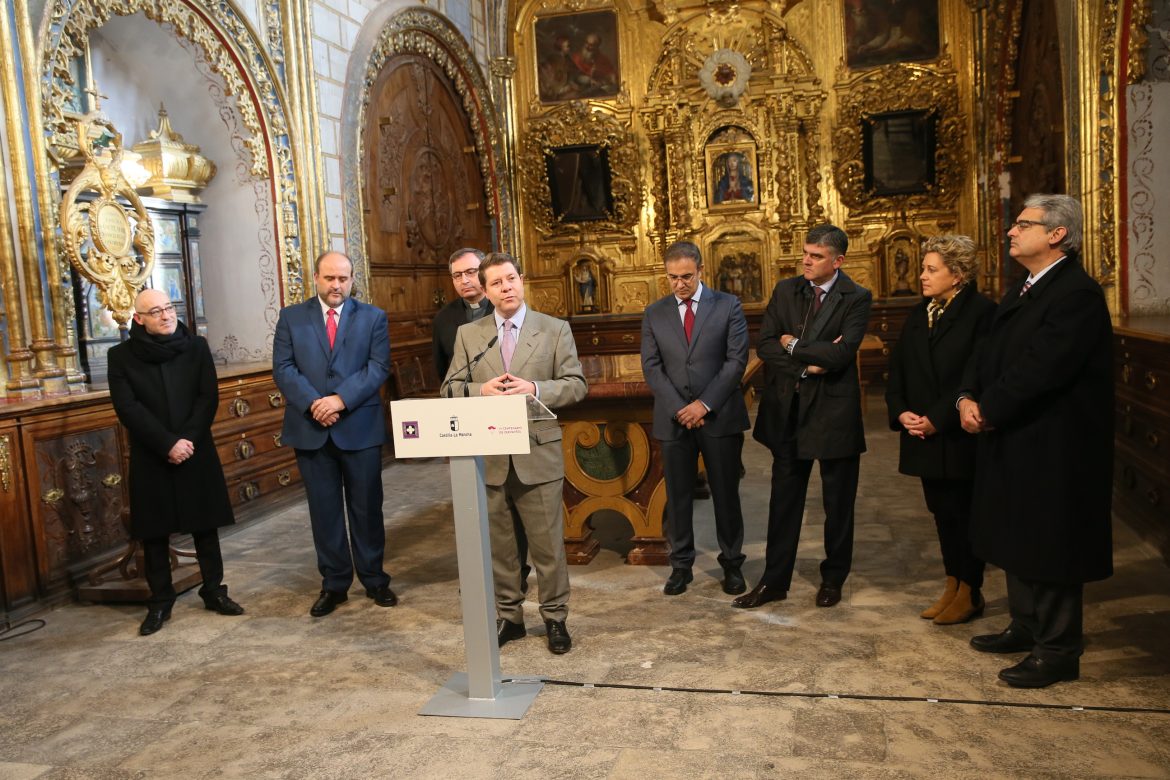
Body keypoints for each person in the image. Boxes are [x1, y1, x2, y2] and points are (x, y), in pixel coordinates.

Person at [958, 194, 1113, 688]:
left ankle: (1058, 650)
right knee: (1015, 534)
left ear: (1057, 234)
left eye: (1024, 224)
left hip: (1054, 444)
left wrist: (989, 408)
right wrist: (966, 396)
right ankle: (1025, 625)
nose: (1011, 231)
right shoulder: (1024, 287)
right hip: (1015, 434)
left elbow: (1043, 368)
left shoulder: (1076, 294)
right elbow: (988, 351)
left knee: (1051, 544)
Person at [443, 252, 587, 654]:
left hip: (537, 455)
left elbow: (576, 385)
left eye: (511, 279)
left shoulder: (554, 329)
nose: (506, 287)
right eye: (496, 283)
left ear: (521, 280)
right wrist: (480, 390)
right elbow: (449, 388)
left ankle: (555, 617)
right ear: (486, 291)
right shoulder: (469, 335)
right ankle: (510, 617)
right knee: (501, 548)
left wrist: (535, 388)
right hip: (489, 456)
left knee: (547, 547)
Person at [735, 224, 872, 609]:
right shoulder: (786, 290)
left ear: (837, 261)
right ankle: (774, 582)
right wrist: (806, 366)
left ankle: (833, 579)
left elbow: (841, 355)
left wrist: (793, 345)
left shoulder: (857, 297)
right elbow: (766, 344)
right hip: (789, 413)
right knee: (784, 503)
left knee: (837, 505)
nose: (806, 261)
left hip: (834, 414)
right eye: (805, 254)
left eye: (816, 256)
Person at [107, 289, 244, 636]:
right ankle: (160, 601)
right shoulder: (120, 356)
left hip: (195, 447)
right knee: (154, 530)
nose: (166, 315)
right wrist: (167, 443)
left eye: (169, 308)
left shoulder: (196, 347)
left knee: (205, 524)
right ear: (138, 319)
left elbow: (207, 397)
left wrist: (187, 441)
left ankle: (214, 591)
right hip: (152, 452)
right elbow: (127, 407)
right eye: (155, 312)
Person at [273, 251, 396, 617]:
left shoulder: (373, 317)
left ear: (352, 279)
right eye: (330, 278)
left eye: (343, 278)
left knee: (367, 508)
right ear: (316, 278)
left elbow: (378, 366)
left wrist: (340, 399)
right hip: (311, 428)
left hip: (359, 426)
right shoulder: (291, 317)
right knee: (324, 511)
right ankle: (334, 584)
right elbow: (283, 367)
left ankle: (375, 579)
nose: (336, 285)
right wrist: (315, 403)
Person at [885, 234, 995, 625]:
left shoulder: (982, 313)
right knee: (941, 513)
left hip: (956, 433)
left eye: (932, 269)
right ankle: (952, 583)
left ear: (958, 274)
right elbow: (898, 368)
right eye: (922, 268)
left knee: (963, 513)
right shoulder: (921, 312)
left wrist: (937, 417)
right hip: (922, 433)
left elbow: (977, 374)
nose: (922, 276)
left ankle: (971, 590)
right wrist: (901, 412)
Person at [640, 240, 750, 596]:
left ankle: (732, 564)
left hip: (719, 417)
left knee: (725, 494)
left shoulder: (728, 305)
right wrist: (680, 408)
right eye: (672, 277)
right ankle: (681, 566)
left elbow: (736, 361)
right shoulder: (654, 313)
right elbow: (652, 367)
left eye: (686, 276)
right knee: (678, 497)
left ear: (701, 270)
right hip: (674, 420)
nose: (680, 284)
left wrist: (703, 405)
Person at [433, 248, 494, 386]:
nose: (464, 280)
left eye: (470, 272)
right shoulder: (443, 318)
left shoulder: (503, 310)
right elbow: (442, 368)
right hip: (463, 394)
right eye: (457, 275)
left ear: (485, 272)